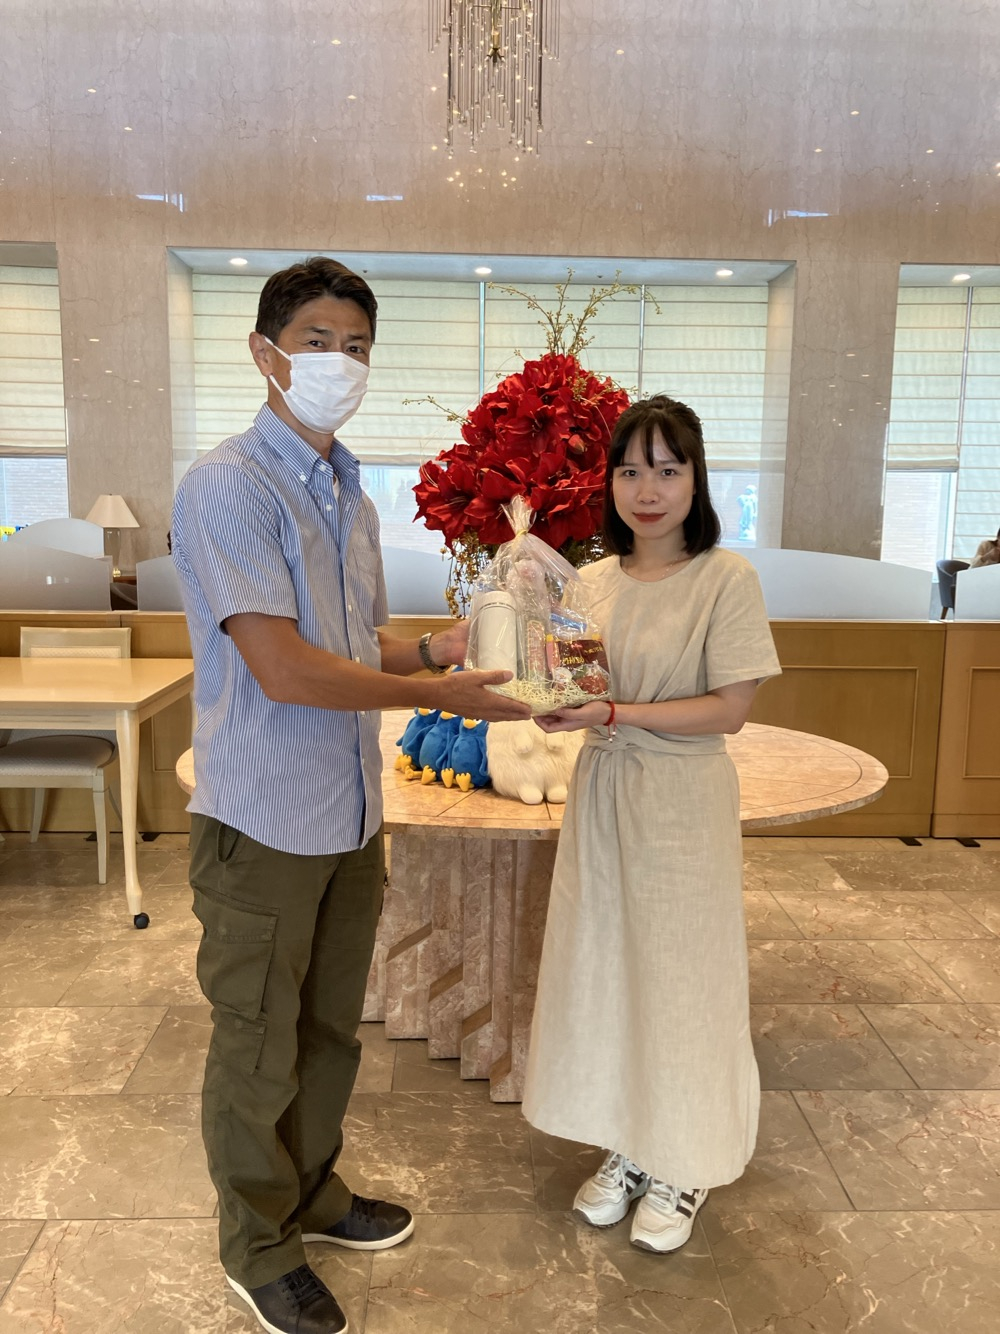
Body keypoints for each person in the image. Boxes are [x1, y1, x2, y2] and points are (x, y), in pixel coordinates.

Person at [171, 256, 530, 1334]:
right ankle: (257, 1243)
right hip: (262, 820)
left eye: (358, 346)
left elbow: (347, 644)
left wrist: (431, 649)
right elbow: (284, 668)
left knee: (330, 1030)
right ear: (266, 353)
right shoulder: (230, 486)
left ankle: (312, 1193)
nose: (340, 363)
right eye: (318, 342)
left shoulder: (349, 494)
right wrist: (437, 691)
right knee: (258, 1042)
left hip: (348, 814)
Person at [522, 395, 781, 1255]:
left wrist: (612, 713)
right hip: (603, 792)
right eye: (630, 470)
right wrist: (550, 699)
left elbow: (729, 710)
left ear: (696, 480)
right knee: (607, 966)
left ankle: (686, 1160)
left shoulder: (725, 579)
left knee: (684, 976)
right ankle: (630, 1140)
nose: (647, 489)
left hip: (680, 799)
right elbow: (572, 689)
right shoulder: (590, 583)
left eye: (668, 470)